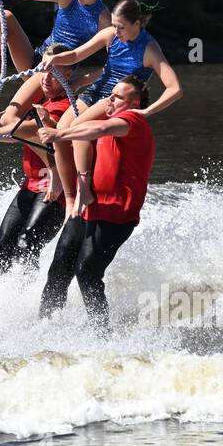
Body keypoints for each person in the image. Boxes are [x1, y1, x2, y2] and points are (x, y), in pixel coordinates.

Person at [31, 0, 180, 215]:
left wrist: (146, 111)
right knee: (61, 129)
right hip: (95, 91)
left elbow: (175, 88)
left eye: (121, 27)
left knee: (74, 129)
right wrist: (54, 60)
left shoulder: (150, 49)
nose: (116, 31)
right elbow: (76, 54)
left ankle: (84, 188)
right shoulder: (110, 34)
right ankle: (68, 195)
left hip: (115, 98)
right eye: (114, 25)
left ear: (137, 24)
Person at [36, 75, 155, 329]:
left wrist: (59, 133)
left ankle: (102, 337)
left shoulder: (133, 120)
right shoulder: (111, 121)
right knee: (59, 269)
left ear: (133, 103)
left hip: (115, 215)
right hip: (89, 207)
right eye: (110, 94)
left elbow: (97, 129)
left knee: (87, 272)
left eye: (116, 97)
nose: (109, 100)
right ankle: (43, 328)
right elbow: (86, 137)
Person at [0, 47, 75, 274]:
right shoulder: (40, 103)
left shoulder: (65, 109)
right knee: (1, 247)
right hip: (31, 186)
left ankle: (23, 302)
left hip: (55, 192)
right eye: (43, 72)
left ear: (67, 76)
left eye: (53, 72)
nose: (45, 78)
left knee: (26, 245)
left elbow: (17, 131)